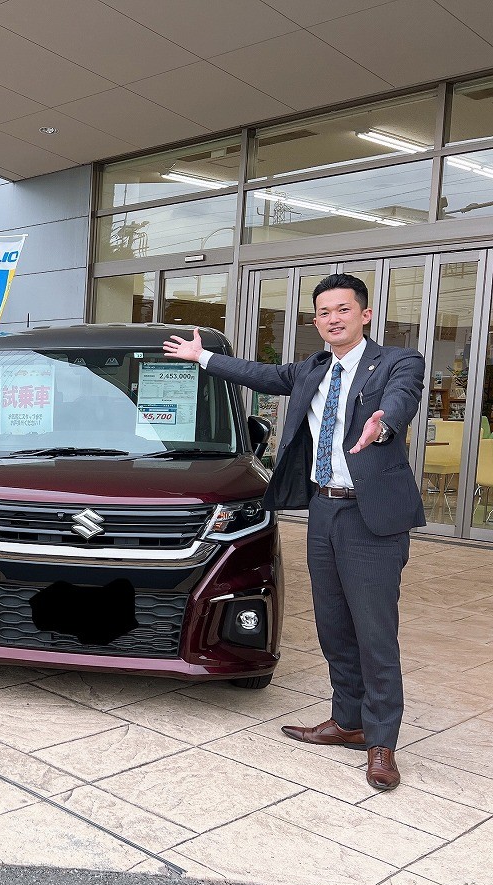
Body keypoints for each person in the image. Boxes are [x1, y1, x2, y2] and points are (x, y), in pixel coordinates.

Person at [163, 274, 425, 791]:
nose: (333, 319)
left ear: (365, 314)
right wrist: (202, 357)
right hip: (324, 509)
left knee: (374, 633)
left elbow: (401, 399)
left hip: (371, 516)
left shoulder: (398, 362)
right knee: (333, 624)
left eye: (343, 309)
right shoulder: (312, 369)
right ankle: (347, 721)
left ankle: (381, 741)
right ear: (316, 321)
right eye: (324, 312)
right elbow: (260, 375)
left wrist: (383, 424)